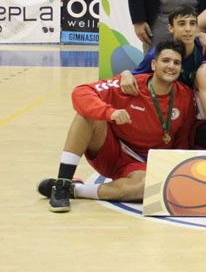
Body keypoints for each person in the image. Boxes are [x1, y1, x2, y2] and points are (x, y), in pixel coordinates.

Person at [37, 40, 195, 212]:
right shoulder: (130, 84)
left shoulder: (185, 97)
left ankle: (76, 190)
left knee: (145, 188)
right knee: (87, 115)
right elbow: (80, 92)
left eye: (176, 63)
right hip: (112, 151)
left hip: (143, 165)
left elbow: (182, 139)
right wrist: (109, 112)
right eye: (166, 61)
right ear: (153, 64)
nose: (171, 66)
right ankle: (62, 182)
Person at [120, 5, 206, 92]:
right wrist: (126, 73)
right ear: (170, 28)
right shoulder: (157, 54)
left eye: (192, 23)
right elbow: (135, 75)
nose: (188, 29)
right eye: (182, 24)